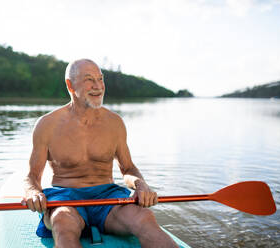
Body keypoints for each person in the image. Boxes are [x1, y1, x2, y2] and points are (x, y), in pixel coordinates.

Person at [22, 59, 178, 248]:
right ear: (70, 85)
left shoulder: (115, 123)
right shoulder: (47, 125)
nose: (98, 86)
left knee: (145, 218)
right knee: (62, 223)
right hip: (65, 199)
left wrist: (140, 184)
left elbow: (127, 168)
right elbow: (32, 176)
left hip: (108, 198)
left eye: (100, 79)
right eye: (89, 80)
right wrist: (32, 192)